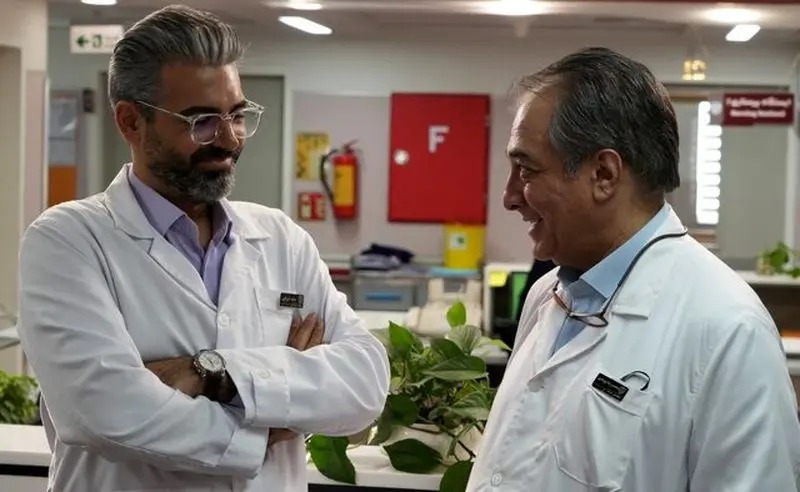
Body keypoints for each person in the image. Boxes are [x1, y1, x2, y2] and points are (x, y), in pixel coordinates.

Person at [17, 5, 389, 492]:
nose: (229, 139)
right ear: (131, 122)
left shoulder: (281, 239)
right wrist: (272, 419)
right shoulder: (68, 241)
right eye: (201, 121)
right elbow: (104, 411)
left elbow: (364, 382)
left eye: (237, 115)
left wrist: (208, 373)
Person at [467, 47, 800, 491]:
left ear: (604, 174)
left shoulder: (729, 330)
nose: (510, 197)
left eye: (526, 171)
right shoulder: (547, 295)